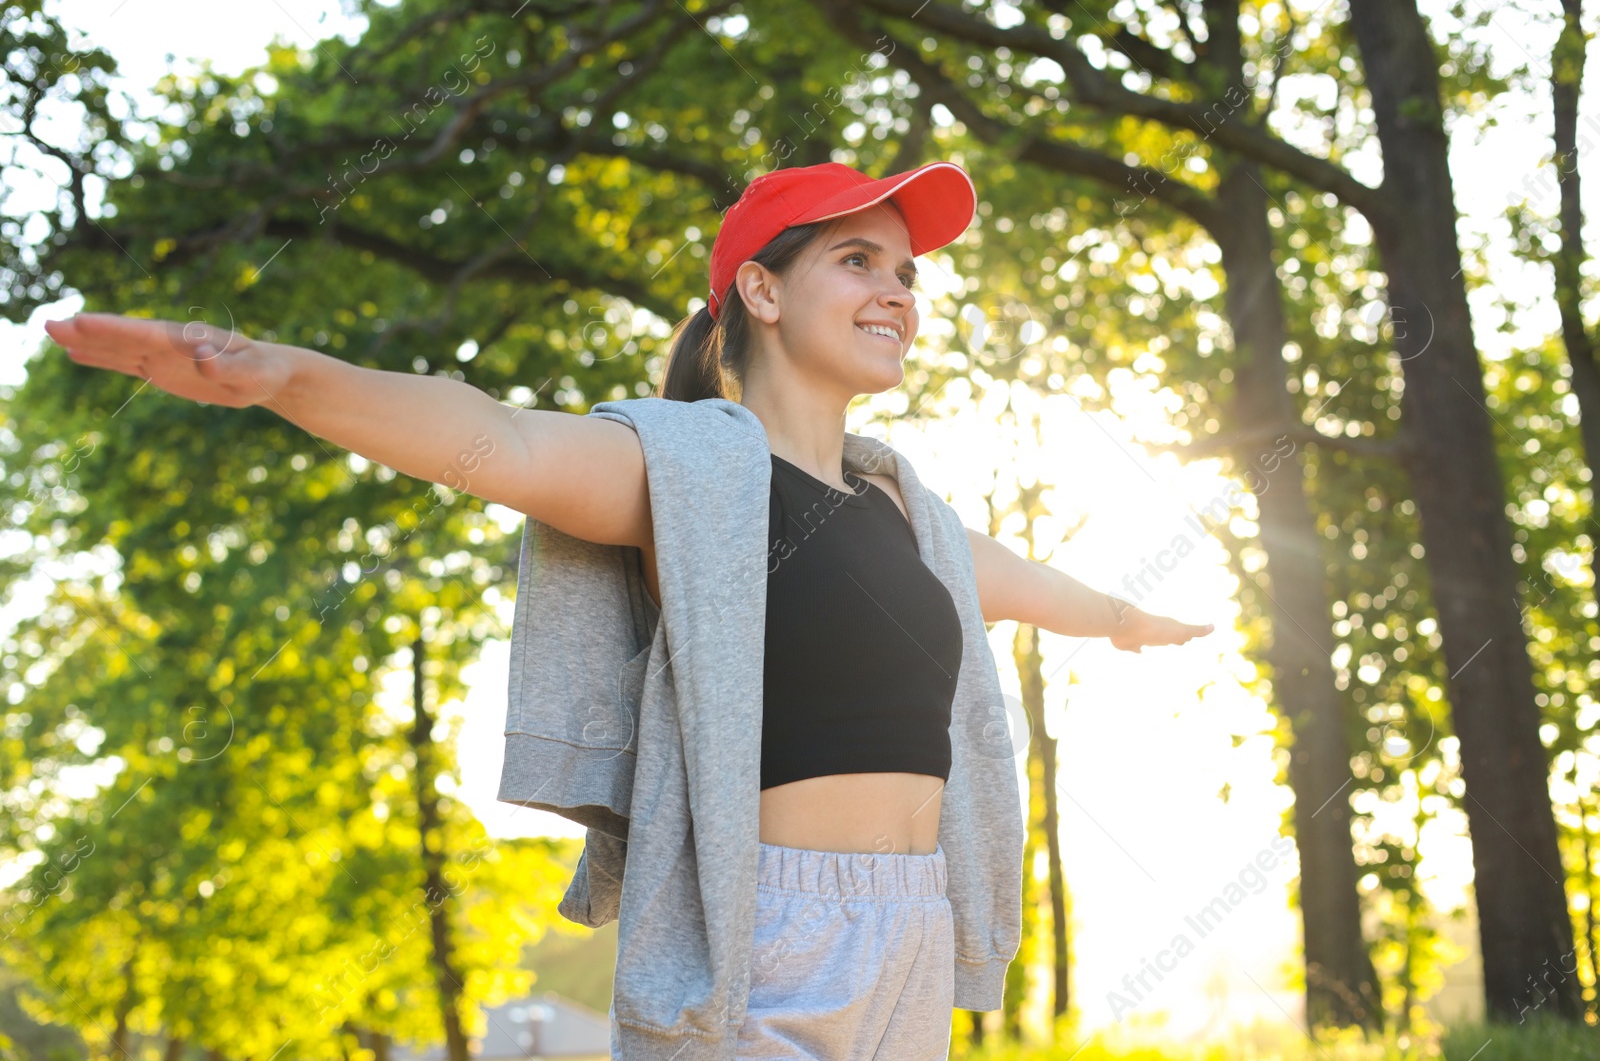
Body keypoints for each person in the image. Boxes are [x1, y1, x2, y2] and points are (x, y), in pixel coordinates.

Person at [45, 158, 1212, 1059]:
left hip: (913, 926)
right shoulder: (683, 470)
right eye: (859, 261)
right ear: (759, 286)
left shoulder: (902, 506)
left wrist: (1122, 613)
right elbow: (486, 433)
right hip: (771, 932)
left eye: (906, 273)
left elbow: (1015, 581)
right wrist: (279, 375)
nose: (897, 294)